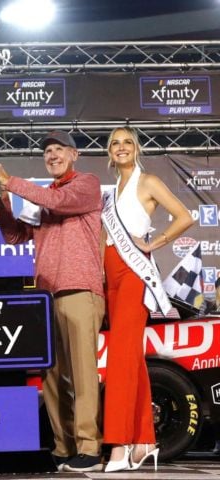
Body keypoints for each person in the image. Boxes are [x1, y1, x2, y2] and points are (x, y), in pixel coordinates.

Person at [0, 131, 105, 473]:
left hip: (80, 290)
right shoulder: (43, 197)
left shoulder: (87, 184)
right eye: (47, 151)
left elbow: (61, 203)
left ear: (74, 154)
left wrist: (10, 180)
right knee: (52, 377)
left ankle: (90, 448)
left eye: (58, 149)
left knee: (83, 374)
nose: (52, 155)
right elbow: (13, 235)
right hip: (47, 294)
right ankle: (64, 446)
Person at [102, 126, 193, 472]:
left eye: (127, 142)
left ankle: (119, 445)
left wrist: (154, 244)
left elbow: (186, 217)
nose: (121, 147)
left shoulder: (149, 181)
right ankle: (144, 441)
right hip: (112, 276)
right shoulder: (111, 194)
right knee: (132, 361)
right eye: (115, 143)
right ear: (110, 152)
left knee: (121, 360)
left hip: (133, 275)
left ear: (136, 148)